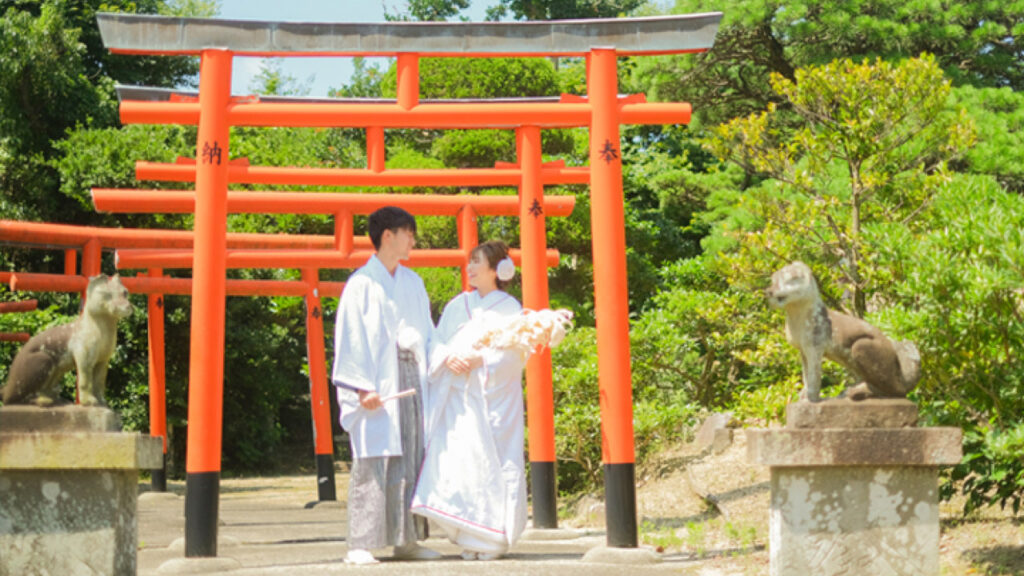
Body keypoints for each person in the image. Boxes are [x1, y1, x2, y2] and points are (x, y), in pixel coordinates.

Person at [331, 206, 441, 565]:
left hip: (412, 377)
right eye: (407, 232)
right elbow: (352, 339)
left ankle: (407, 540)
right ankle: (359, 543)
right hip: (378, 381)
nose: (412, 239)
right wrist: (362, 387)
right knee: (375, 461)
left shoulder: (413, 282)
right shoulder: (361, 284)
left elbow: (427, 333)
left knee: (411, 455)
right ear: (387, 235)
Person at [411, 240, 528, 560]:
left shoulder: (509, 307)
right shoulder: (456, 305)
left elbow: (515, 353)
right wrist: (448, 357)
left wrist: (483, 360)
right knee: (459, 463)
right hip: (457, 398)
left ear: (496, 269)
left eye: (477, 262)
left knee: (491, 461)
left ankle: (491, 537)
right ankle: (467, 533)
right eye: (470, 262)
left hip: (490, 398)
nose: (470, 268)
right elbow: (435, 341)